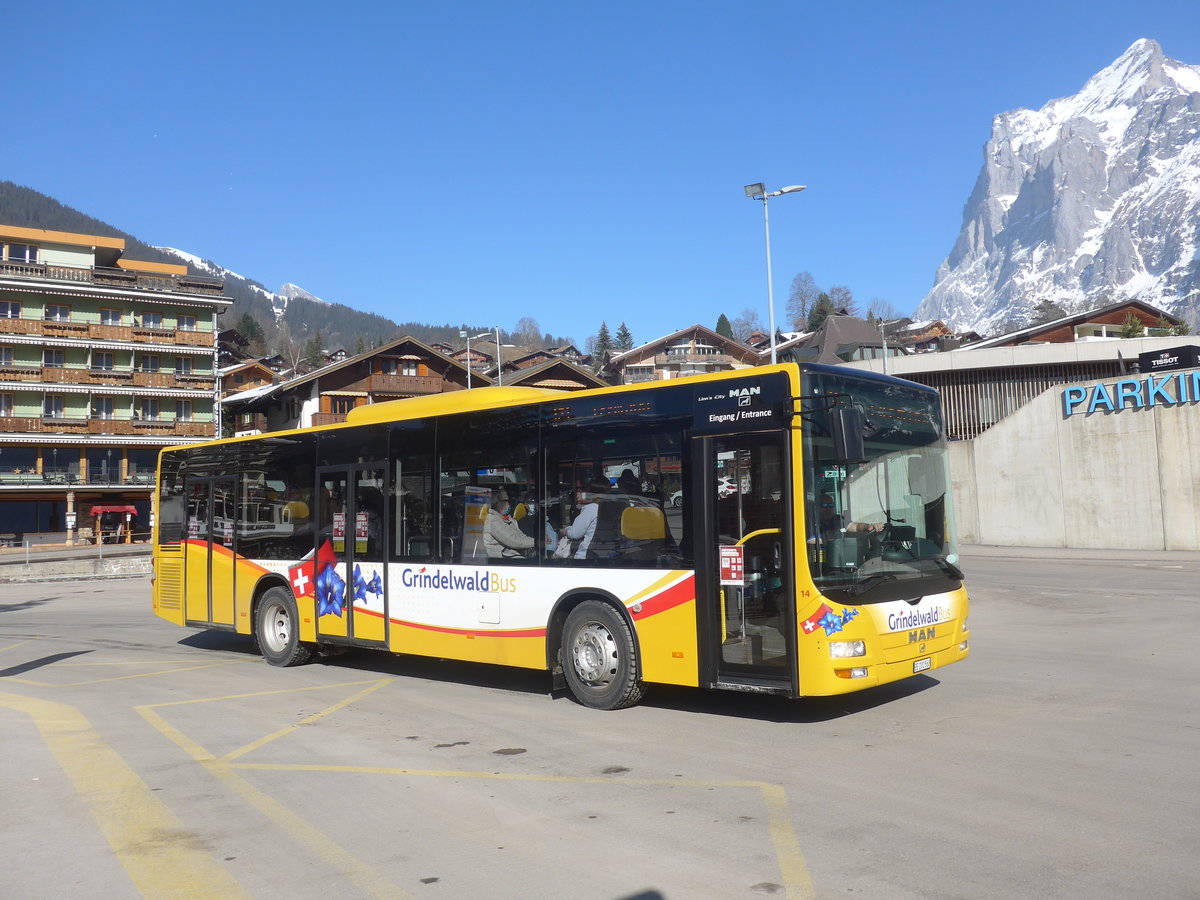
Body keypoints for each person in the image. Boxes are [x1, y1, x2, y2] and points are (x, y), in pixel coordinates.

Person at [560, 476, 610, 559]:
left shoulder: (592, 508)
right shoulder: (611, 509)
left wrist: (564, 531)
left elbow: (575, 533)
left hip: (587, 555)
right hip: (606, 554)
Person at [483, 494, 535, 559]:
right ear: (500, 504)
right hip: (501, 557)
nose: (509, 504)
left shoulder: (509, 519)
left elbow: (522, 537)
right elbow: (514, 541)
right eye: (507, 502)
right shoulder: (492, 520)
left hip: (512, 554)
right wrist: (537, 542)